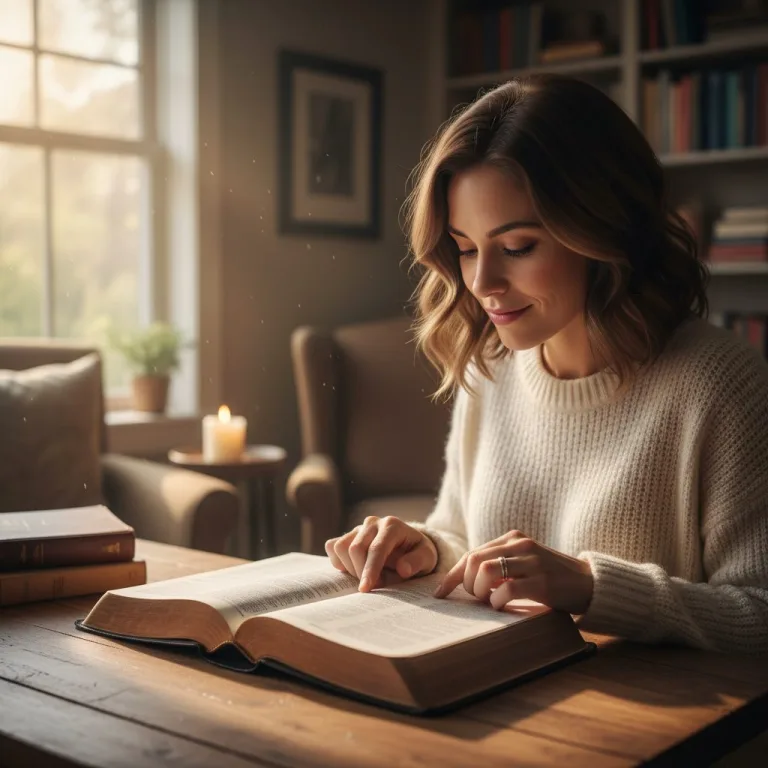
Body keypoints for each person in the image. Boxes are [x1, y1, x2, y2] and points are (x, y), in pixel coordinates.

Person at [324, 75, 768, 653]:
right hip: (501, 704)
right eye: (464, 247)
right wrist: (425, 547)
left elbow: (760, 610)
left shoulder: (722, 385)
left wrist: (591, 586)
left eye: (517, 248)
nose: (483, 284)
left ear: (602, 228)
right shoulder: (492, 366)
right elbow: (461, 534)